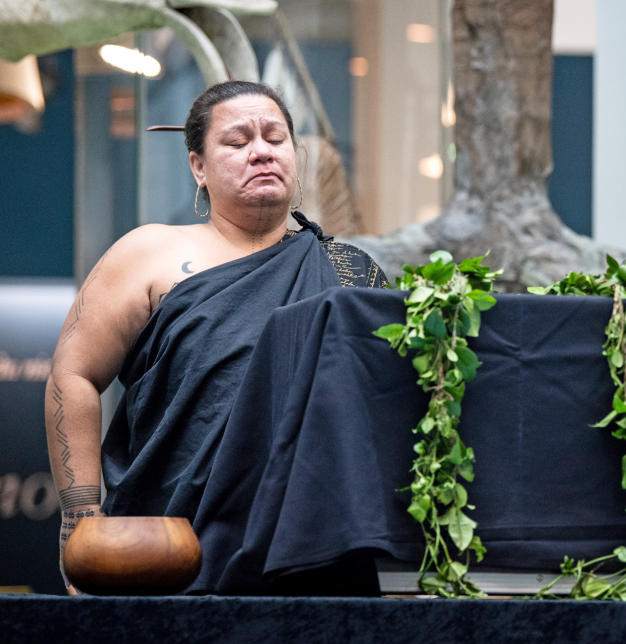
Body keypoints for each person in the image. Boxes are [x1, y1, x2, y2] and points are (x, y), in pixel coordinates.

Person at [44, 81, 386, 590]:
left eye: (276, 137)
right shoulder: (150, 253)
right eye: (237, 141)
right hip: (169, 541)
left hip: (321, 545)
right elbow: (73, 375)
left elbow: (386, 402)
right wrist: (80, 517)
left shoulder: (352, 272)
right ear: (198, 167)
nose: (261, 151)